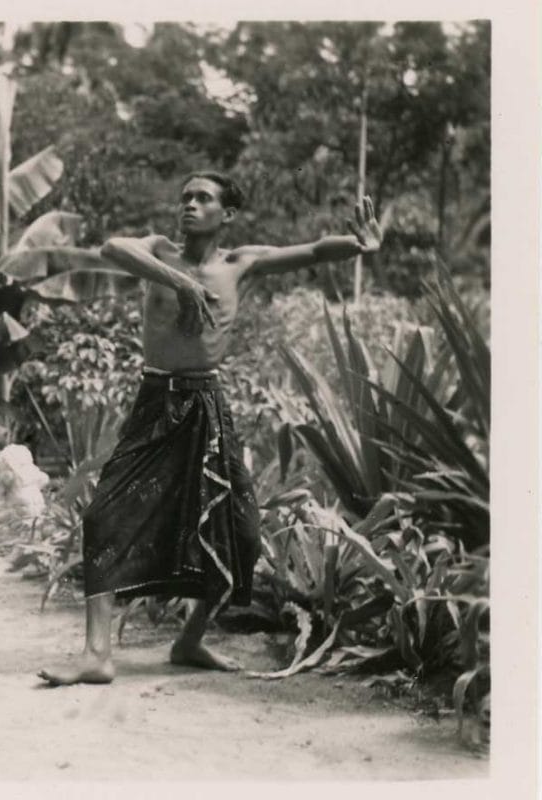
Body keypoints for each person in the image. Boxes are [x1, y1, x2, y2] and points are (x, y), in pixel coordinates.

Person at [39, 172, 382, 685]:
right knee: (104, 519)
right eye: (186, 197)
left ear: (228, 214)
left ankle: (190, 641)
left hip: (207, 405)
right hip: (156, 403)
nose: (190, 205)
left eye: (204, 198)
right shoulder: (157, 251)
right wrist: (177, 281)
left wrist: (359, 245)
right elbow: (112, 247)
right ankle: (96, 655)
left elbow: (311, 250)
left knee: (239, 533)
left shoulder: (241, 263)